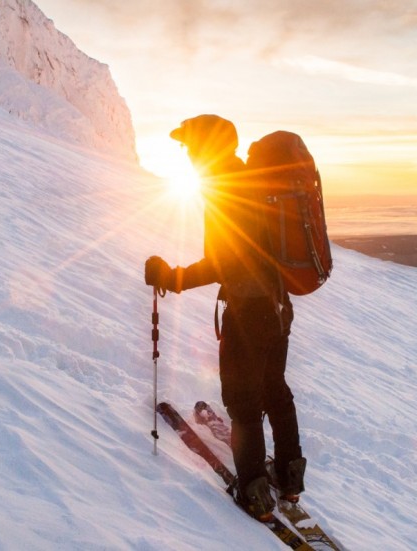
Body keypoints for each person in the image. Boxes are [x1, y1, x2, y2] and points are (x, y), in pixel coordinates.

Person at [144, 114, 305, 522]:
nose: (187, 155)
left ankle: (254, 493)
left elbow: (222, 261)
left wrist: (172, 277)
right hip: (278, 307)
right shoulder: (253, 182)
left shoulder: (224, 187)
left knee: (244, 402)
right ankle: (288, 479)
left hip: (249, 313)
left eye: (189, 146)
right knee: (275, 390)